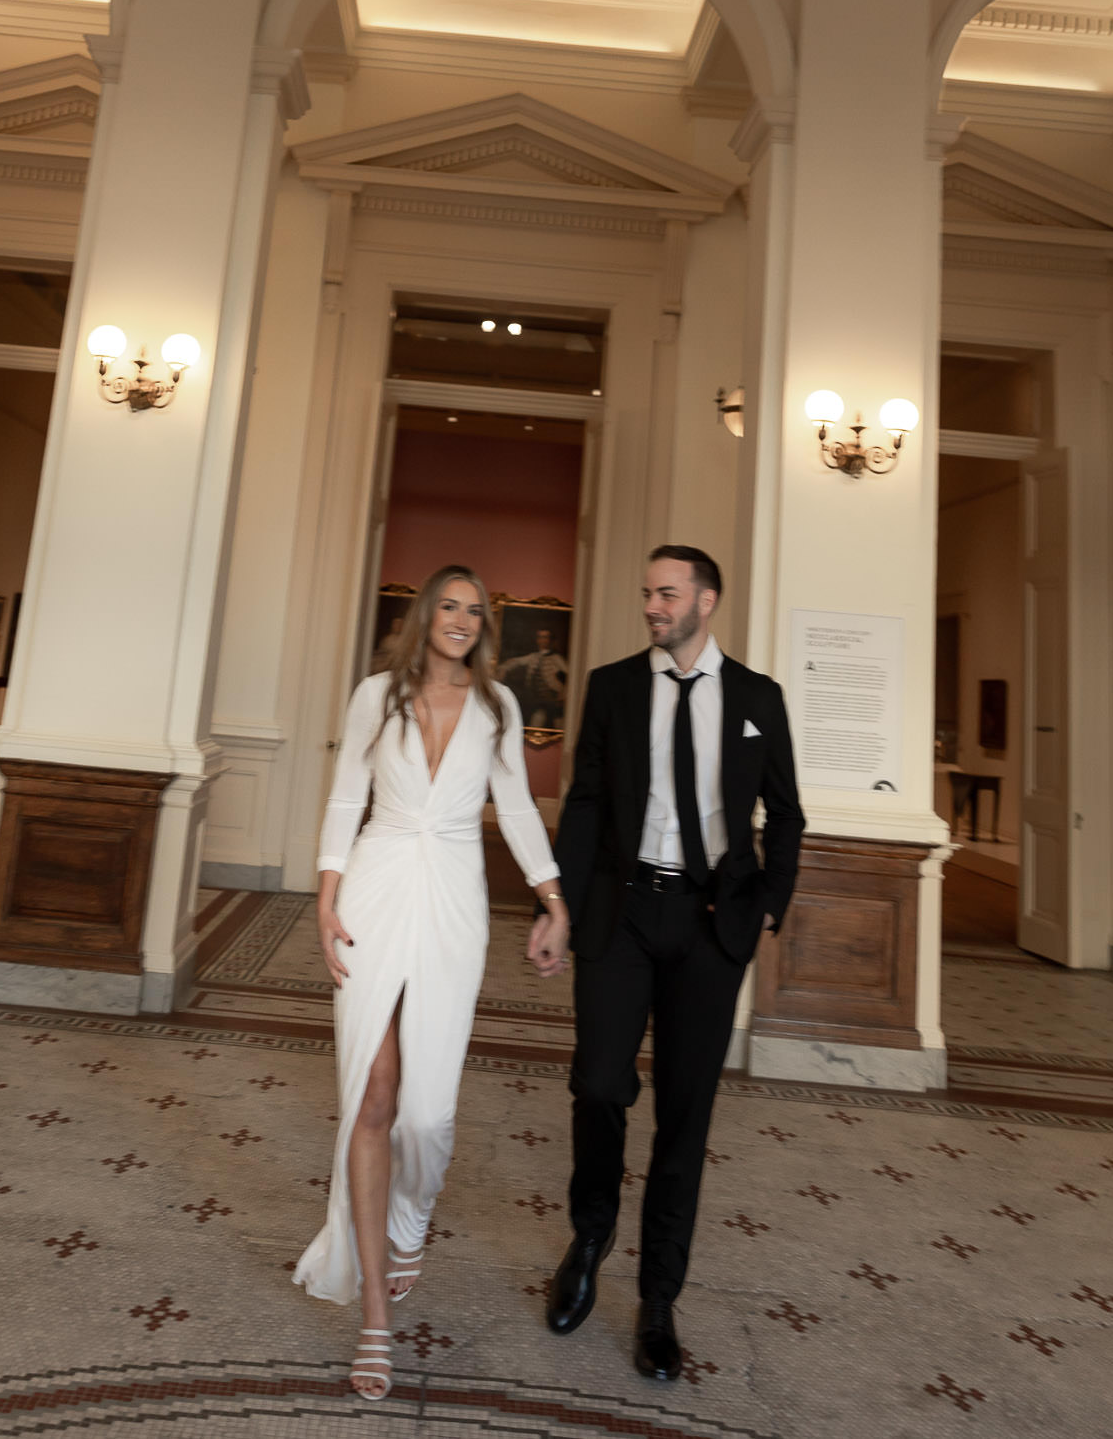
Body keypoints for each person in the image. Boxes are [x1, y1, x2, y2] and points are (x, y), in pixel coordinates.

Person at [295, 563, 570, 1401]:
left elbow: (517, 806)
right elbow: (348, 796)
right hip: (375, 889)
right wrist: (327, 889)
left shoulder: (498, 707)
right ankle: (376, 1317)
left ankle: (411, 1216)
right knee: (373, 1098)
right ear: (425, 616)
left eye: (474, 610)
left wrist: (552, 897)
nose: (460, 619)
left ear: (487, 626)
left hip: (454, 898)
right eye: (447, 606)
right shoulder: (375, 694)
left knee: (429, 1112)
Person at [544, 545, 804, 1382]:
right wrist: (562, 909)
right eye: (646, 593)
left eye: (666, 593)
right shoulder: (615, 687)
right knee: (598, 1083)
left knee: (685, 1119)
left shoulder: (758, 698)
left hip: (707, 925)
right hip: (622, 914)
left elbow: (786, 815)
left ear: (706, 599)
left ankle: (659, 1300)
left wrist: (765, 904)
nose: (652, 606)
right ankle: (590, 1237)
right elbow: (583, 800)